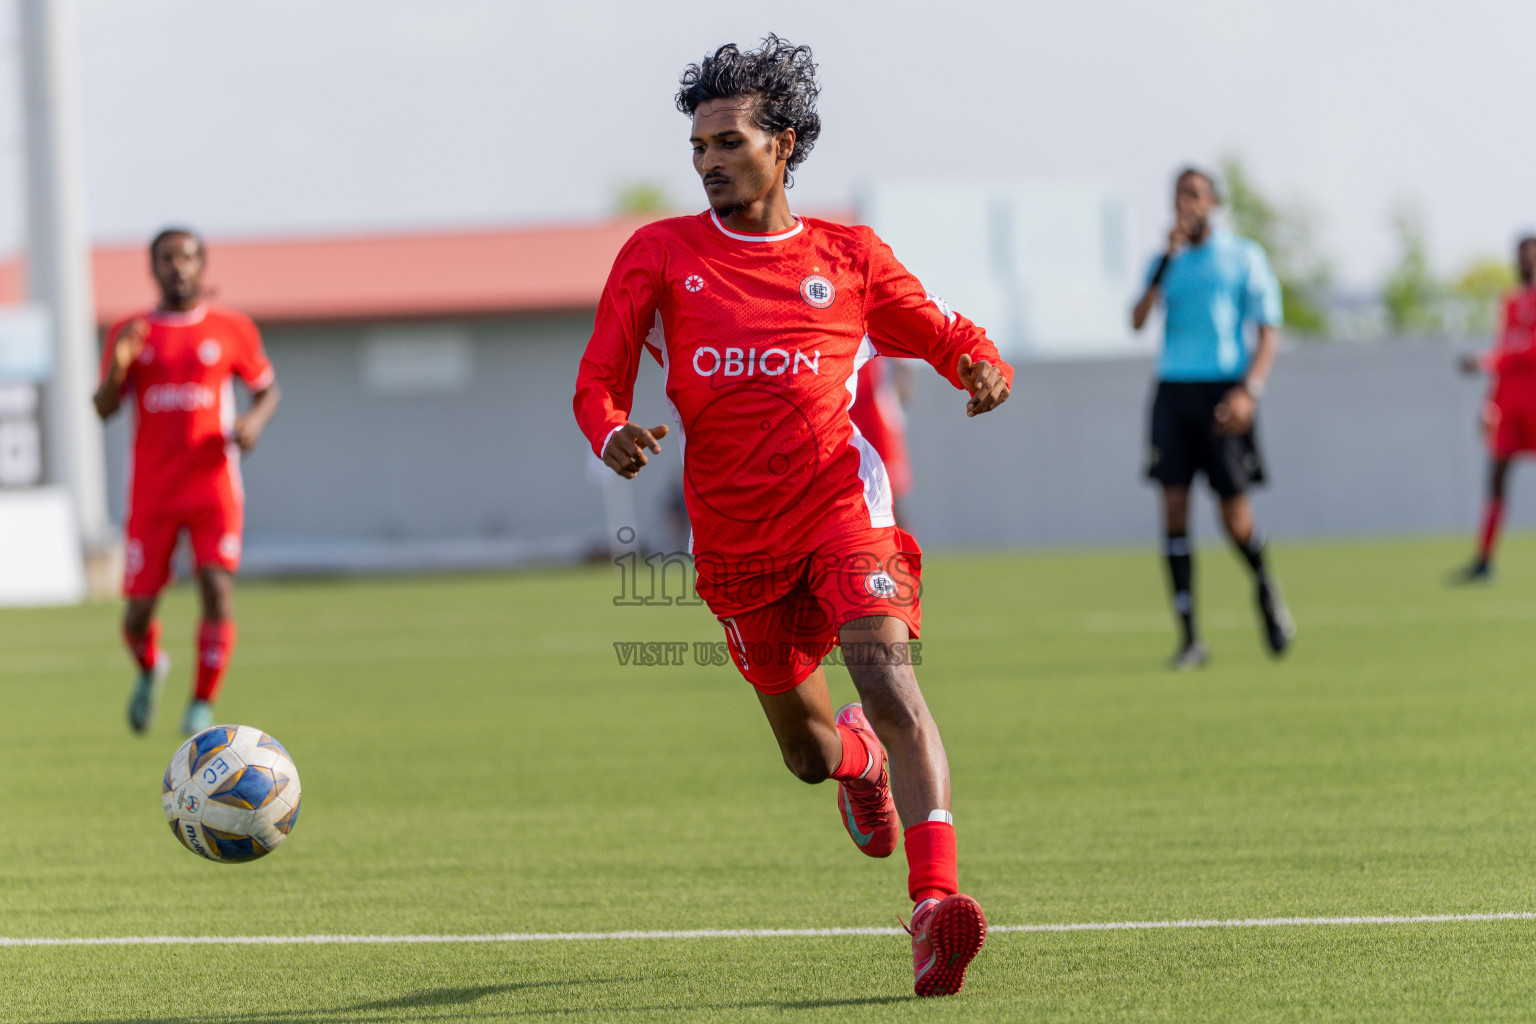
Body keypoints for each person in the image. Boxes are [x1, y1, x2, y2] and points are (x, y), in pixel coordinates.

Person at [573, 36, 1011, 997]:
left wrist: (982, 365)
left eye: (729, 141)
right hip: (732, 543)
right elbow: (597, 382)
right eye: (698, 148)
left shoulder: (845, 257)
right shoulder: (659, 254)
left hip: (839, 507)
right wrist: (609, 431)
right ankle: (859, 761)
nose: (709, 161)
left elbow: (939, 331)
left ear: (786, 142)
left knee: (892, 684)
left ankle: (935, 907)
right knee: (809, 758)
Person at [94, 228, 280, 736]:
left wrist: (253, 424)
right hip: (152, 492)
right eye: (167, 258)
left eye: (187, 257)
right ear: (152, 268)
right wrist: (117, 369)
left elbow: (266, 390)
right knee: (136, 614)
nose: (178, 267)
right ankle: (151, 667)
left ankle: (201, 703)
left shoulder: (230, 328)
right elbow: (103, 408)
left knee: (217, 590)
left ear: (203, 265)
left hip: (213, 485)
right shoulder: (131, 331)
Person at [1131, 167, 1294, 669]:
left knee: (1234, 516)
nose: (1187, 204)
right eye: (1180, 195)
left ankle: (1266, 587)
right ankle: (1190, 638)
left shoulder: (1243, 255)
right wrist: (1163, 263)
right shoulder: (1164, 261)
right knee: (1174, 508)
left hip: (1225, 390)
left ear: (1215, 201)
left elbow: (1268, 331)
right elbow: (1137, 321)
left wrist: (1250, 391)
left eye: (1196, 195)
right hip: (1173, 391)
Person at [1453, 236, 1536, 581]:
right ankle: (1484, 560)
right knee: (1497, 476)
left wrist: (1487, 360)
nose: (1525, 260)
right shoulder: (1510, 302)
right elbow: (1505, 349)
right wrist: (1490, 405)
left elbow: (1527, 351)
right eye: (1521, 255)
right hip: (1511, 405)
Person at [849, 356, 914, 527]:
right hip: (847, 419)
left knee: (891, 499)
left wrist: (893, 400)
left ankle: (904, 553)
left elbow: (903, 372)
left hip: (878, 424)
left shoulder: (881, 334)